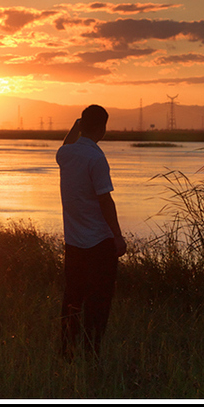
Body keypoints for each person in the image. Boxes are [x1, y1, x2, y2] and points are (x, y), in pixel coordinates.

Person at [56, 104, 127, 359]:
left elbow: (66, 144)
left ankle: (67, 348)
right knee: (99, 302)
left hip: (74, 242)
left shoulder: (66, 155)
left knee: (73, 297)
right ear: (102, 129)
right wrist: (118, 236)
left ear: (81, 125)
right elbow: (105, 200)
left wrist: (76, 126)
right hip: (99, 242)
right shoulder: (96, 158)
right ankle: (92, 350)